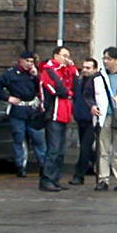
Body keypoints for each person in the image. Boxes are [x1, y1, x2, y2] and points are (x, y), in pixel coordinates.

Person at [0, 50, 46, 177]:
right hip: (18, 109)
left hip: (33, 109)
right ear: (21, 61)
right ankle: (20, 166)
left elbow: (44, 88)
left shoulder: (34, 74)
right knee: (19, 138)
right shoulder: (10, 74)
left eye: (32, 62)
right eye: (28, 61)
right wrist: (8, 98)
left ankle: (43, 165)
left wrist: (38, 76)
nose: (30, 64)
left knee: (38, 139)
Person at [91, 46, 117, 192]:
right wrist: (92, 105)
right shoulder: (98, 76)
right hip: (104, 116)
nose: (105, 61)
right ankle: (103, 179)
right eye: (104, 58)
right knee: (103, 149)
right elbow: (88, 94)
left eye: (108, 58)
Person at [38, 46, 78, 192]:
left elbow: (74, 88)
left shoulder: (64, 71)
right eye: (64, 56)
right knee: (53, 149)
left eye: (68, 56)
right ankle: (46, 179)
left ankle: (55, 179)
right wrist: (68, 92)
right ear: (55, 56)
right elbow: (60, 91)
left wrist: (72, 70)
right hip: (53, 114)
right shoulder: (48, 71)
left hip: (64, 114)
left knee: (61, 150)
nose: (66, 59)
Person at [69, 57, 98, 185]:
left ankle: (79, 175)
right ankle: (97, 165)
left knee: (85, 147)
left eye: (88, 68)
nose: (85, 70)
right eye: (84, 67)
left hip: (92, 119)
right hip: (81, 118)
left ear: (95, 69)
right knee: (87, 148)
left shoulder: (97, 83)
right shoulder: (80, 81)